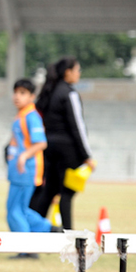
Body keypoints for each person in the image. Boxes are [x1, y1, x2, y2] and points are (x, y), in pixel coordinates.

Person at [29, 57, 95, 231]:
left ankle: (32, 234)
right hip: (67, 152)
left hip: (49, 150)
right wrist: (87, 156)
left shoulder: (49, 92)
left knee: (49, 191)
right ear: (68, 72)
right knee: (66, 193)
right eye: (77, 70)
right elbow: (77, 126)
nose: (79, 74)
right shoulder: (69, 93)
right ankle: (69, 236)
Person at [6, 79, 52, 256]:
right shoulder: (20, 116)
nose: (17, 96)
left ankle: (28, 249)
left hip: (26, 171)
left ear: (32, 97)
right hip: (17, 172)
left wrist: (24, 156)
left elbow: (41, 143)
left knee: (16, 211)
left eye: (23, 93)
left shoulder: (32, 117)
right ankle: (48, 230)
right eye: (16, 92)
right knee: (19, 210)